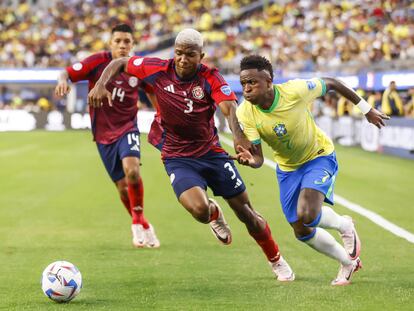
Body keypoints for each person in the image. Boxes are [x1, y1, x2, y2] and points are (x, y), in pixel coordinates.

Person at [88, 29, 294, 281]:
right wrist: (100, 84)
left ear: (201, 55)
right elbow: (120, 62)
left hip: (212, 154)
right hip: (177, 157)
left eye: (190, 54)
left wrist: (239, 138)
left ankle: (276, 259)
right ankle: (214, 214)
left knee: (247, 214)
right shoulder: (156, 68)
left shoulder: (210, 77)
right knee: (199, 211)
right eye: (179, 53)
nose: (183, 59)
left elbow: (229, 108)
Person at [235, 55, 389, 285]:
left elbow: (334, 83)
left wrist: (366, 110)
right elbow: (258, 158)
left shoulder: (295, 90)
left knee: (307, 214)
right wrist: (250, 161)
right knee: (300, 229)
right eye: (243, 84)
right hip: (287, 168)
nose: (246, 89)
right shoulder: (245, 112)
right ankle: (348, 263)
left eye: (252, 83)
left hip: (319, 156)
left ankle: (343, 224)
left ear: (268, 81)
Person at [54, 23, 160, 248]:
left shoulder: (137, 66)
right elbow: (66, 72)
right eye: (118, 41)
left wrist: (162, 116)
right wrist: (63, 81)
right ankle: (144, 223)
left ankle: (137, 221)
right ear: (110, 43)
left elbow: (152, 91)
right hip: (102, 134)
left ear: (133, 45)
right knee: (122, 187)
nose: (122, 45)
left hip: (128, 127)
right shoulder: (97, 62)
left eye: (127, 42)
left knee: (132, 170)